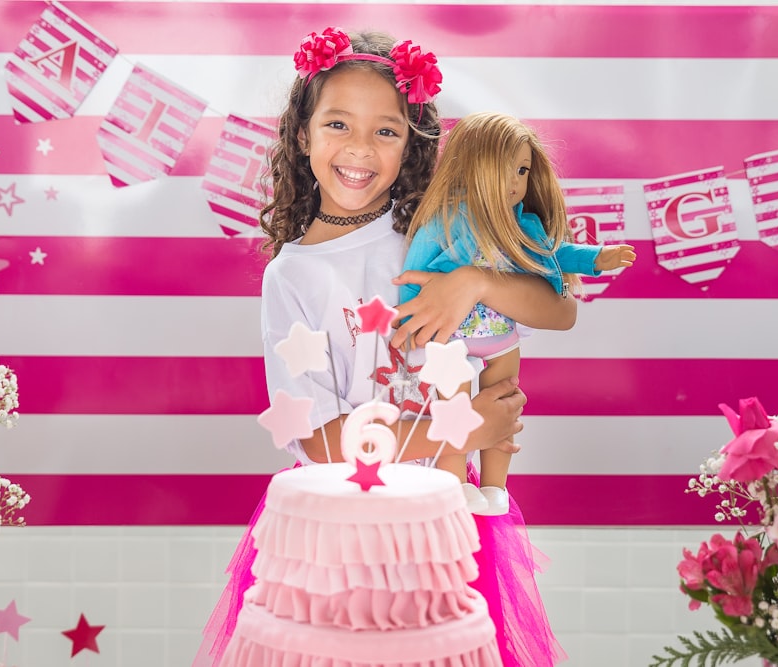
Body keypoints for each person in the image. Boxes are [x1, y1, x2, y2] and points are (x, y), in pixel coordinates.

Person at [195, 27, 573, 667]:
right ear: (303, 135)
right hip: (340, 531)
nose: (360, 149)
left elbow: (557, 311)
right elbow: (316, 439)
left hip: (448, 520)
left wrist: (477, 281)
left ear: (413, 148)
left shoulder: (438, 239)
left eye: (387, 131)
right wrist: (467, 427)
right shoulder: (292, 276)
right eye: (338, 124)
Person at [399, 111, 636, 516]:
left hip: (501, 336)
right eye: (501, 170)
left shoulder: (524, 224)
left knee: (505, 404)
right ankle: (455, 482)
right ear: (468, 168)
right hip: (450, 338)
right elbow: (413, 274)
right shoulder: (444, 220)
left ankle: (495, 486)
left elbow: (557, 253)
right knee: (454, 413)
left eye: (522, 170)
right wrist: (410, 327)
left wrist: (597, 258)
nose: (514, 182)